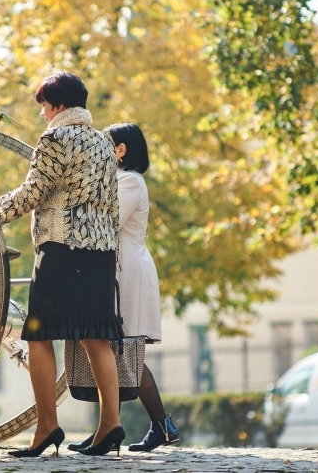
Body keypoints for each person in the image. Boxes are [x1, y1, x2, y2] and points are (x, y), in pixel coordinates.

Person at [0, 72, 125, 457]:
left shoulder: (55, 138)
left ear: (59, 105)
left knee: (38, 335)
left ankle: (47, 426)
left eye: (44, 107)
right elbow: (112, 204)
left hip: (62, 247)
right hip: (100, 252)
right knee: (96, 336)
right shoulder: (104, 142)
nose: (43, 115)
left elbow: (33, 192)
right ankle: (110, 425)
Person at [104, 123, 180, 451]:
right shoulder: (121, 180)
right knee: (115, 350)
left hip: (128, 271)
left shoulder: (130, 180)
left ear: (121, 150)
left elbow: (108, 221)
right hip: (121, 269)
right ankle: (116, 430)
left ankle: (156, 426)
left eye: (107, 146)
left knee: (125, 352)